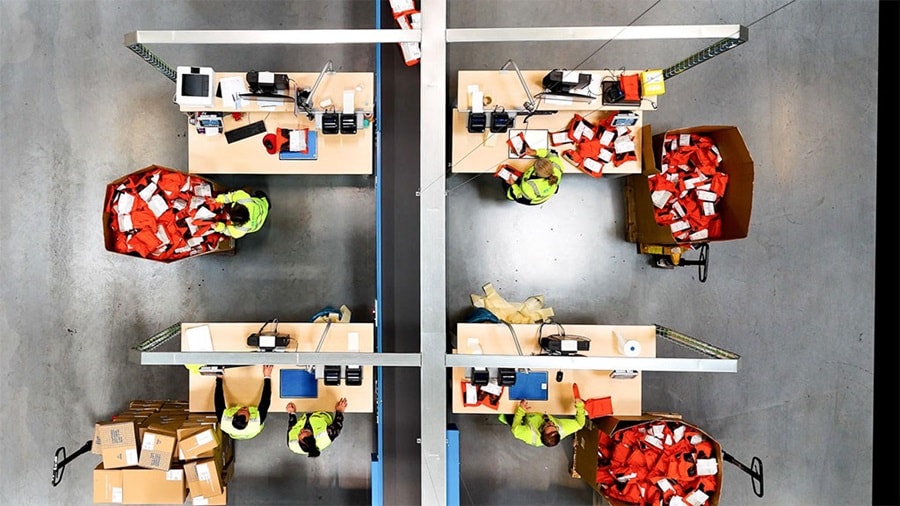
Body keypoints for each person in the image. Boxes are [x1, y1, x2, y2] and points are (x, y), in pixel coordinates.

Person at [498, 386, 585, 447]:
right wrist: (579, 404)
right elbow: (580, 424)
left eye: (547, 425)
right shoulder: (562, 429)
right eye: (553, 425)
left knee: (506, 404)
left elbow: (515, 429)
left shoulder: (529, 435)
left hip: (523, 417)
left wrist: (521, 411)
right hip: (540, 411)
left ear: (541, 431)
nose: (550, 423)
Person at [215, 365, 273, 440]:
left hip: (234, 433)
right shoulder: (257, 422)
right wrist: (267, 376)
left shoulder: (223, 420)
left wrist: (219, 378)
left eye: (241, 409)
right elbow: (266, 399)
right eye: (247, 412)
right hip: (251, 433)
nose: (245, 408)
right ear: (249, 420)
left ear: (234, 415)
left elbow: (218, 398)